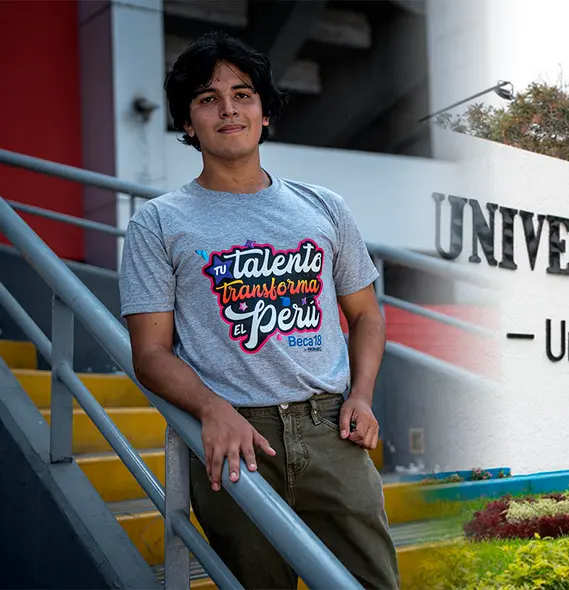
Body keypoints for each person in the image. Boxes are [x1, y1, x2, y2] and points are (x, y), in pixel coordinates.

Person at [118, 31, 399, 590]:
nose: (228, 109)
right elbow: (150, 354)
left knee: (371, 582)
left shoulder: (324, 207)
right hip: (235, 438)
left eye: (243, 94)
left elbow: (366, 315)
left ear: (265, 112)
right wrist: (211, 408)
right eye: (207, 98)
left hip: (330, 429)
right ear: (187, 122)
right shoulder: (158, 222)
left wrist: (362, 395)